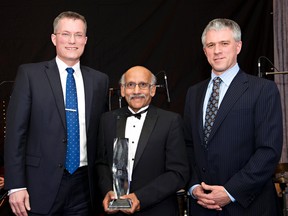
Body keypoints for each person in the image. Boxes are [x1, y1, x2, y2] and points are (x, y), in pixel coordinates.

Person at [4, 11, 109, 216]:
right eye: (65, 34)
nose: (72, 41)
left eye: (78, 35)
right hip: (37, 186)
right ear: (54, 38)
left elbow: (101, 137)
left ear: (85, 40)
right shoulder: (30, 75)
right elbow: (16, 133)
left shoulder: (99, 81)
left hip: (83, 188)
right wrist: (15, 185)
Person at [183, 18, 283, 216]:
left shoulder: (263, 90)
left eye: (224, 43)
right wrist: (194, 187)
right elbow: (187, 146)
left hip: (248, 206)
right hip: (202, 207)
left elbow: (268, 151)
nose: (217, 50)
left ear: (238, 47)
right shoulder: (193, 93)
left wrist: (231, 192)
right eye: (211, 45)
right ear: (205, 51)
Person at [96, 66, 189, 215]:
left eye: (143, 85)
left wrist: (140, 198)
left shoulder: (171, 121)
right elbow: (101, 163)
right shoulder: (107, 120)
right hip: (117, 211)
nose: (136, 91)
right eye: (130, 85)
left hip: (157, 210)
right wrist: (108, 190)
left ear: (152, 90)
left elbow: (178, 173)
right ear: (122, 90)